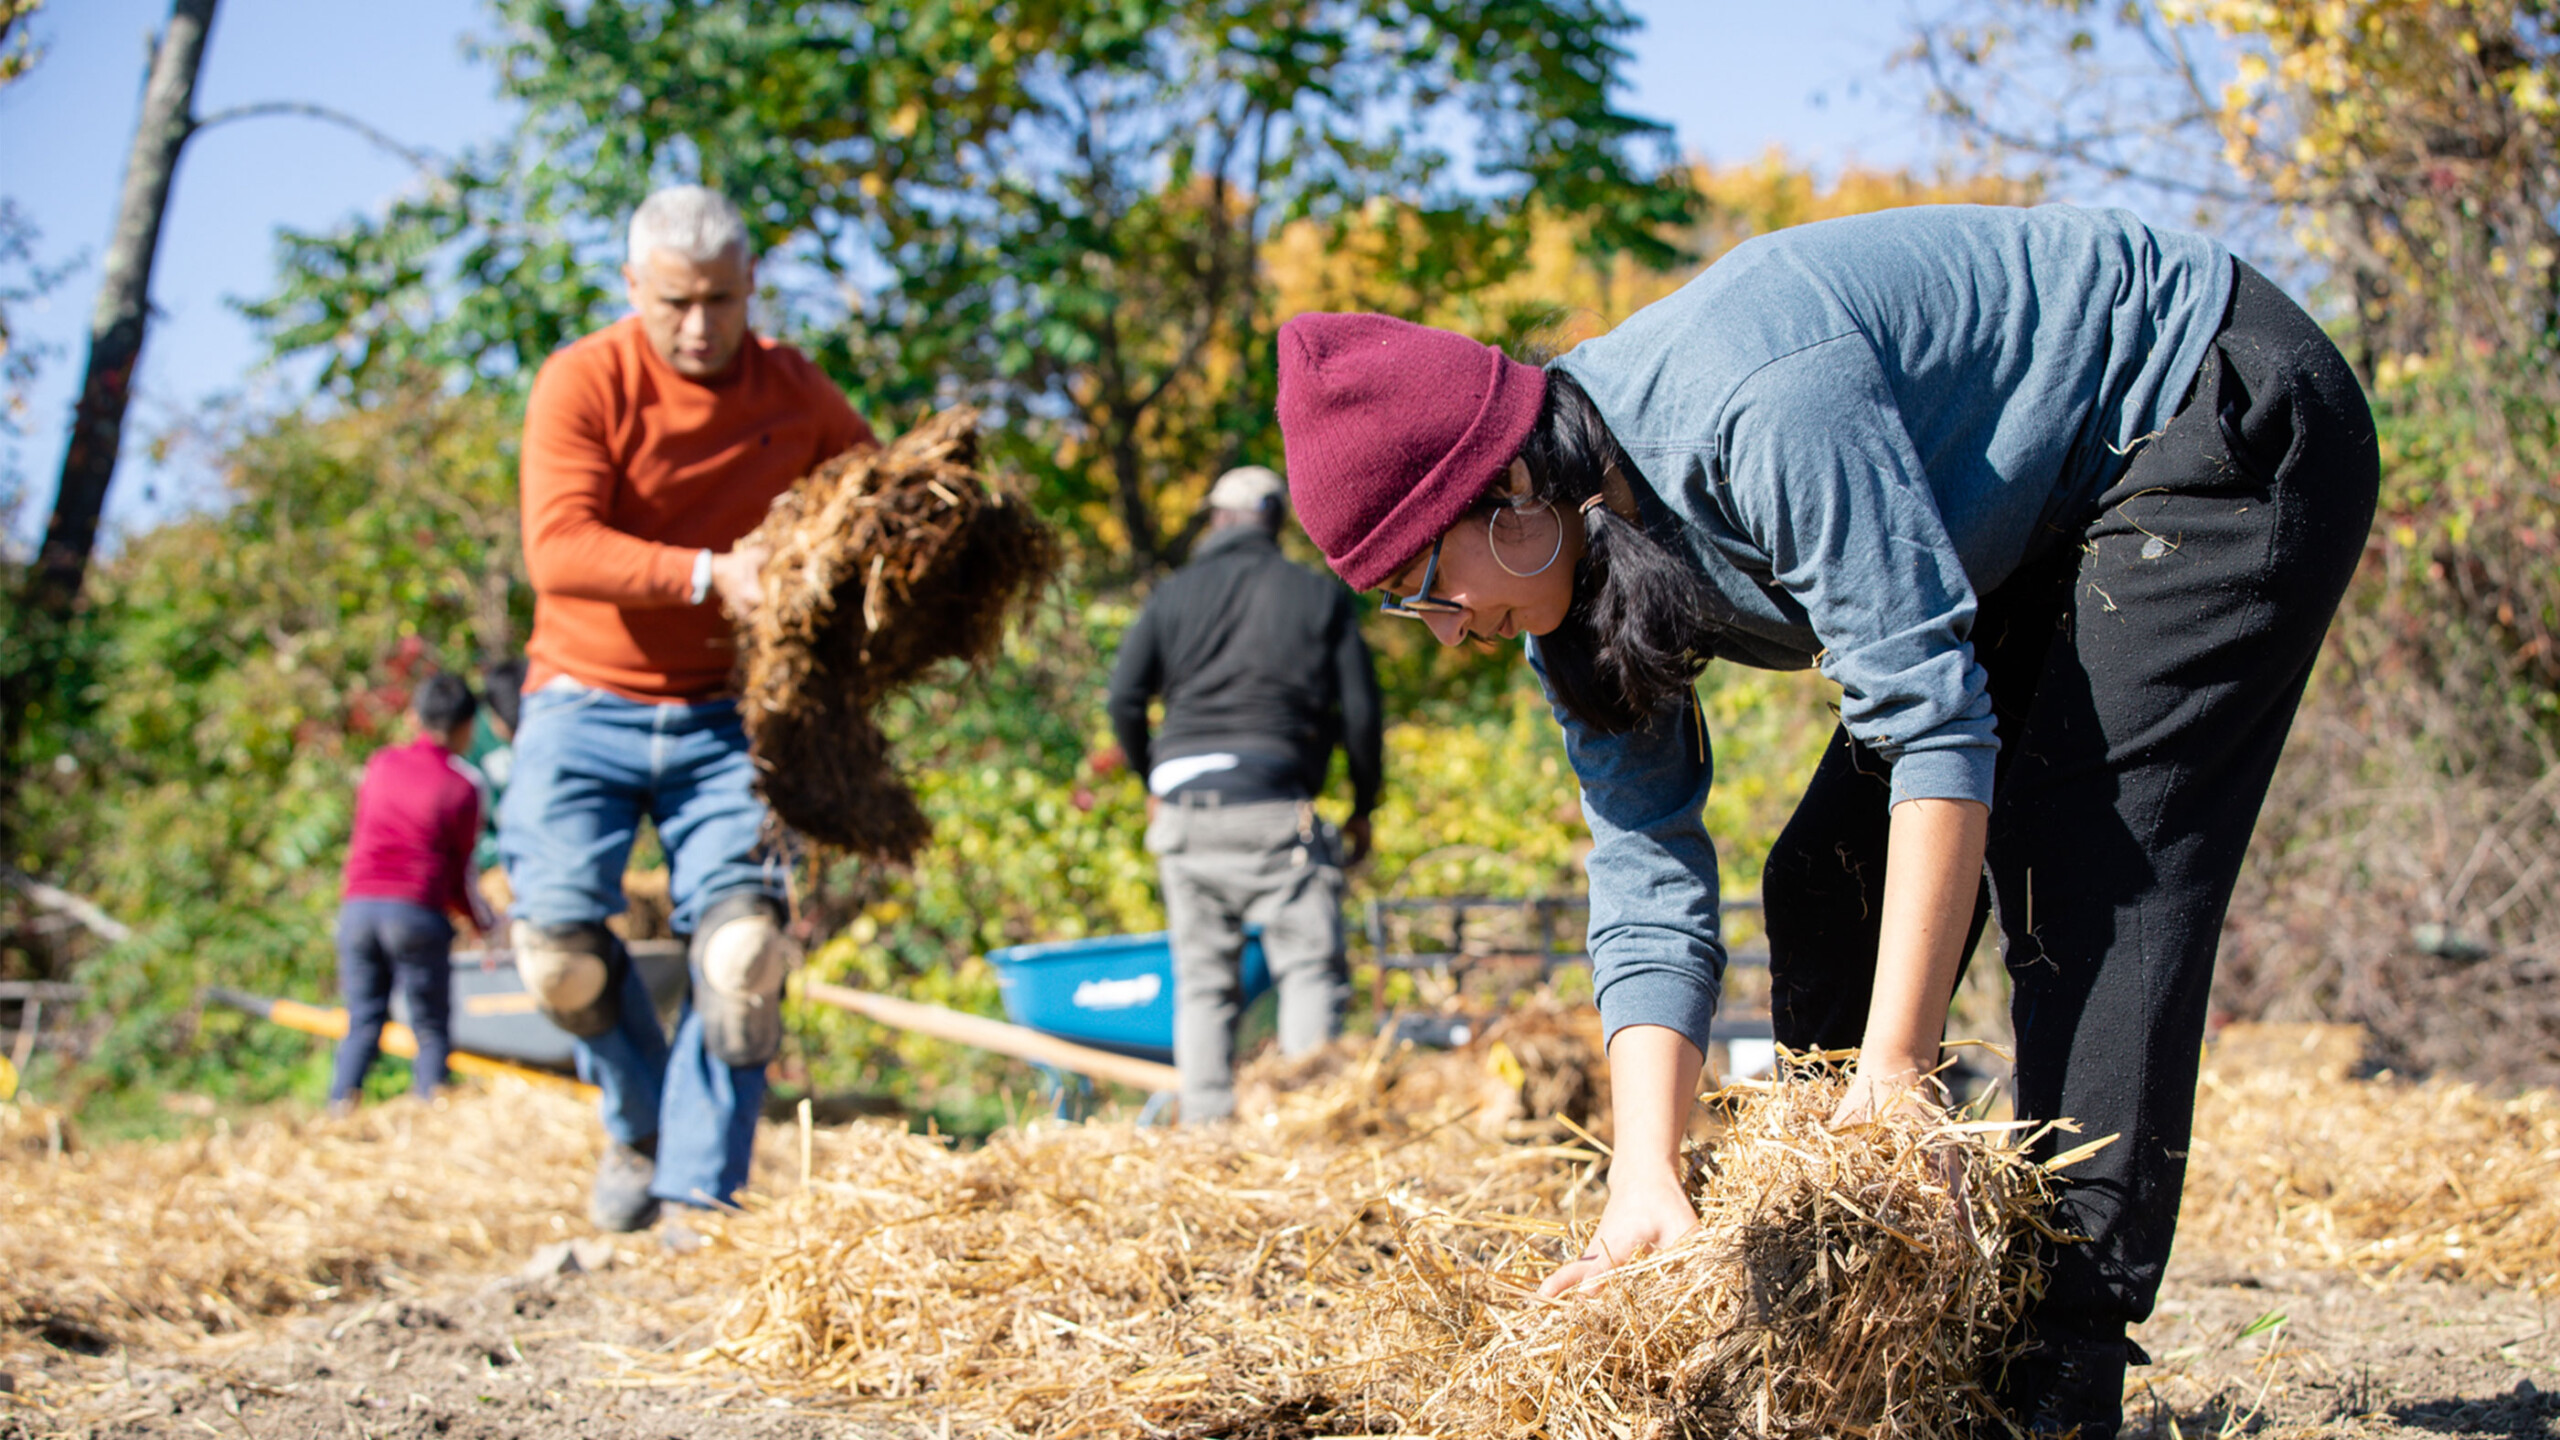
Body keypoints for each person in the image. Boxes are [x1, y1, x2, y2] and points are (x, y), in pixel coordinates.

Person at [1273, 204, 2377, 1437]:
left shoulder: (1753, 402)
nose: (1440, 627)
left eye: (1426, 583)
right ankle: (1867, 1305)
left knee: (2085, 876)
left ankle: (2058, 1369)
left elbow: (1930, 723)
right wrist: (1648, 1167)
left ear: (1514, 494)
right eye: (1395, 603)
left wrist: (1897, 1075)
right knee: (1821, 882)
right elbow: (1645, 869)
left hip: (2206, 411)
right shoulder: (1565, 596)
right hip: (2039, 522)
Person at [501, 184, 876, 1231]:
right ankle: (644, 1119)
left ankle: (699, 1205)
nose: (701, 327)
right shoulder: (582, 381)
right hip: (583, 697)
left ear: (752, 283)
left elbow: (872, 491)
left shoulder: (794, 387)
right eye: (674, 303)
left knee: (744, 957)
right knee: (558, 958)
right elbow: (558, 547)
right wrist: (716, 575)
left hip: (726, 715)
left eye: (721, 300)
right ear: (632, 288)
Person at [1106, 465, 1385, 1123]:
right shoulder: (1316, 596)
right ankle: (1306, 1128)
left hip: (1184, 812)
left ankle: (1205, 1141)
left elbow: (1122, 698)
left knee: (1203, 986)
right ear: (1276, 522)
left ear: (1218, 519)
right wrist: (1363, 806)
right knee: (1310, 973)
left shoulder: (1172, 594)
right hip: (1274, 808)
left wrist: (1152, 778)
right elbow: (1363, 714)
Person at [333, 672, 498, 1113]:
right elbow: (461, 873)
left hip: (357, 910)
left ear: (415, 718)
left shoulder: (381, 763)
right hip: (414, 913)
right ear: (468, 726)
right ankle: (430, 1109)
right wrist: (486, 923)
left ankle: (339, 1109)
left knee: (363, 1021)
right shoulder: (464, 784)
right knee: (429, 1027)